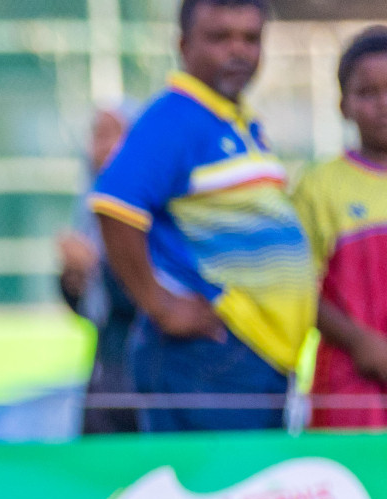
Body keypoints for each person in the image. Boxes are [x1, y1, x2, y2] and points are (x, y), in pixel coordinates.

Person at [91, 0, 315, 433]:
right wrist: (161, 305)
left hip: (249, 356)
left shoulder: (235, 121)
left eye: (251, 38)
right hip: (207, 356)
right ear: (183, 44)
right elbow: (114, 205)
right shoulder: (175, 117)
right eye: (219, 37)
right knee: (214, 492)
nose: (238, 51)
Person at [293, 27, 387, 430]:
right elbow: (297, 288)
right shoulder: (318, 187)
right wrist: (360, 342)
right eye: (367, 93)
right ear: (344, 105)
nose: (383, 104)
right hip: (350, 383)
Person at [59, 107, 140, 435]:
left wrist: (100, 266)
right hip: (106, 375)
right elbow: (91, 311)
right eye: (98, 135)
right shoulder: (89, 209)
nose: (104, 147)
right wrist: (73, 279)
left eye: (115, 134)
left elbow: (154, 297)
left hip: (146, 381)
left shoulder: (153, 208)